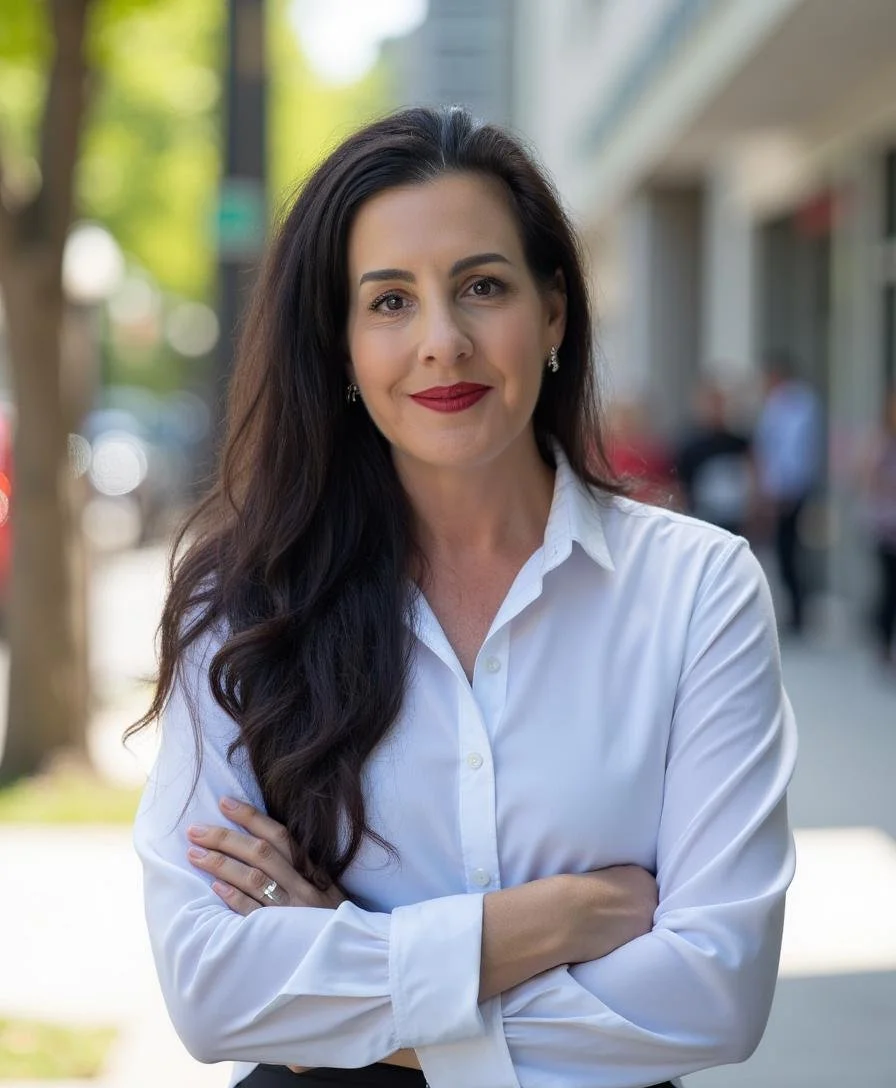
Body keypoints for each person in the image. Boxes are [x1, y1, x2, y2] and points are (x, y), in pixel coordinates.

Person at [131, 107, 796, 1088]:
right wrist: (553, 921)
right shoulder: (241, 602)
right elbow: (212, 990)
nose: (441, 341)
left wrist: (343, 963)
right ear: (342, 344)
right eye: (388, 301)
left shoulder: (696, 589)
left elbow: (712, 993)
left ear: (554, 311)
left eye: (481, 287)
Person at [753, 352, 823, 635]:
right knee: (783, 552)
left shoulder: (798, 404)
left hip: (790, 490)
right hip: (780, 490)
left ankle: (798, 612)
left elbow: (794, 453)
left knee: (790, 551)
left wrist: (784, 491)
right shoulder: (776, 404)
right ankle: (793, 611)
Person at [673, 378, 753, 537]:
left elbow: (752, 476)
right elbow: (680, 486)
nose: (715, 409)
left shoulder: (739, 443)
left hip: (735, 518)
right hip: (703, 519)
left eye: (720, 404)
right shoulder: (689, 445)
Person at [861, 390, 896, 668]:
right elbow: (868, 476)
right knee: (888, 588)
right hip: (886, 527)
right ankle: (883, 643)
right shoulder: (881, 441)